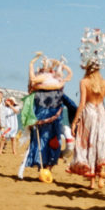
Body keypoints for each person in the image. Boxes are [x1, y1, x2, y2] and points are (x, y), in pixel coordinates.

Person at [67, 28, 105, 189]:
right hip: (101, 114)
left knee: (88, 144)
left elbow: (81, 103)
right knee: (100, 144)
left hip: (89, 113)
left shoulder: (84, 82)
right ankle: (101, 177)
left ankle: (92, 181)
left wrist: (74, 122)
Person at [21, 52, 73, 180]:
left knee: (50, 142)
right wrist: (32, 64)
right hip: (44, 120)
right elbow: (71, 105)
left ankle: (46, 167)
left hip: (50, 121)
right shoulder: (40, 91)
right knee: (44, 142)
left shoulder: (50, 90)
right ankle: (44, 168)